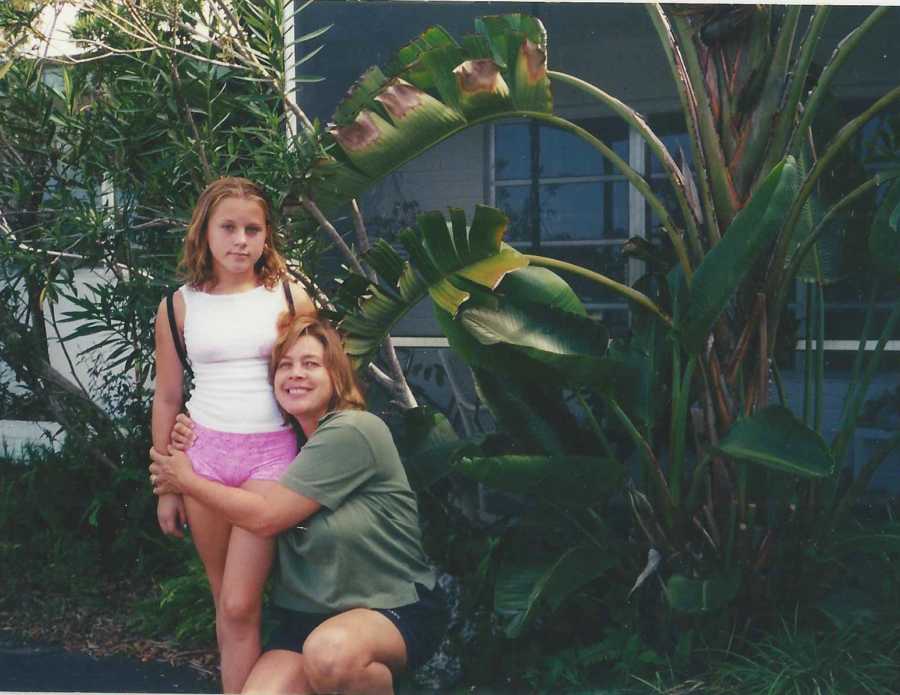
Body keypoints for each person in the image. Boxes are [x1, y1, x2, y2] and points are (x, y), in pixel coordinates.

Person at [149, 314, 448, 695]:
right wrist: (191, 438)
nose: (296, 374)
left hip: (390, 608)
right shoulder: (282, 452)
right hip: (305, 620)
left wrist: (185, 480)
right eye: (285, 366)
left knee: (331, 656)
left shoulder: (353, 431)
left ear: (336, 376)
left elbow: (266, 516)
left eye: (311, 364)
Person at [151, 176, 315, 693]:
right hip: (202, 456)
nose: (240, 240)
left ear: (267, 236)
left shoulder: (290, 295)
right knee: (227, 602)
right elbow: (168, 397)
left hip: (272, 456)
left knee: (243, 601)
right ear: (205, 233)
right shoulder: (178, 306)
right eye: (229, 227)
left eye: (252, 228)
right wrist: (168, 485)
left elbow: (318, 377)